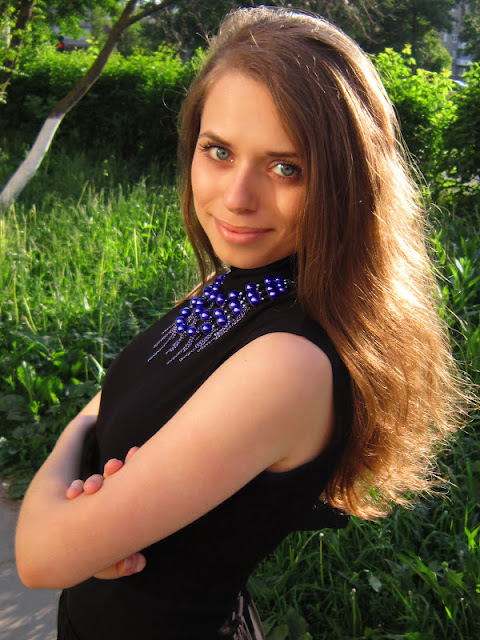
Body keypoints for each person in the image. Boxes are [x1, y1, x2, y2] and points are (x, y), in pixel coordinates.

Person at [15, 6, 461, 640]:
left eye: (286, 167)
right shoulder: (233, 289)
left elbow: (37, 557)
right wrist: (85, 480)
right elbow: (103, 410)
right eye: (219, 151)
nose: (237, 197)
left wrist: (68, 488)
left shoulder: (289, 362)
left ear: (347, 183)